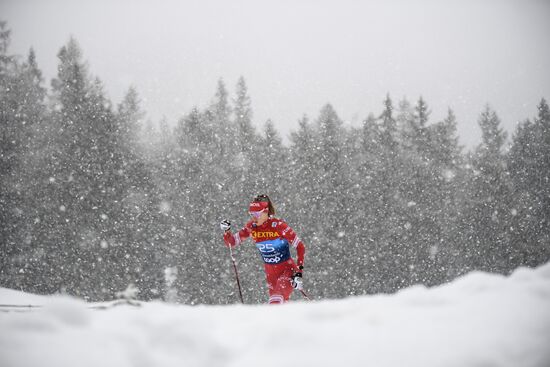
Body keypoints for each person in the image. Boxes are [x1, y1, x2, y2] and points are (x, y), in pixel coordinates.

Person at [220, 194, 306, 304]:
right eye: (251, 214)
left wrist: (299, 272)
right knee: (277, 306)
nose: (254, 217)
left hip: (287, 271)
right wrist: (227, 231)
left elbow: (300, 246)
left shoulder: (278, 226)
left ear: (266, 212)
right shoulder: (252, 227)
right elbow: (231, 243)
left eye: (257, 214)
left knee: (276, 302)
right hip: (270, 274)